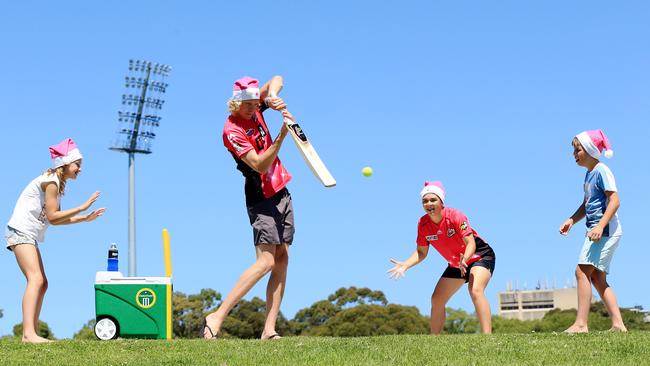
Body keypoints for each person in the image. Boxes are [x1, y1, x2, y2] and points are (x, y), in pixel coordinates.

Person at [203, 75, 294, 340]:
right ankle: (217, 316)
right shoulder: (232, 130)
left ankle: (269, 330)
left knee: (282, 258)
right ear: (235, 103)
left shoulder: (256, 107)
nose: (253, 108)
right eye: (247, 105)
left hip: (281, 189)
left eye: (256, 103)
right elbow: (260, 164)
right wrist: (281, 137)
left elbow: (277, 78)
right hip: (260, 193)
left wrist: (273, 96)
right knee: (266, 261)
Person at [5, 138, 106, 343]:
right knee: (36, 280)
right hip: (20, 231)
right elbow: (52, 216)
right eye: (77, 164)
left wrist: (84, 219)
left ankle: (30, 333)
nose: (80, 169)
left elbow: (57, 220)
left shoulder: (56, 184)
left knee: (43, 283)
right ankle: (28, 334)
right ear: (65, 164)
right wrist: (82, 207)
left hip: (27, 234)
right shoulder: (51, 181)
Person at [388, 181, 496, 334]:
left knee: (475, 289)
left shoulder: (455, 216)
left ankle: (487, 337)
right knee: (437, 299)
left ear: (441, 201)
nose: (429, 203)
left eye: (433, 200)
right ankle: (434, 341)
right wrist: (405, 265)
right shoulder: (423, 224)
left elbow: (470, 243)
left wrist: (465, 259)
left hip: (480, 256)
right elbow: (421, 252)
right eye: (425, 201)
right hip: (456, 263)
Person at [559, 129, 626, 333]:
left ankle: (581, 324)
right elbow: (587, 203)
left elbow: (615, 200)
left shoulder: (602, 170)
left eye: (577, 150)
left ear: (589, 150)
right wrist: (572, 219)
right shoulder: (590, 175)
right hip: (598, 231)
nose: (574, 154)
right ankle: (618, 325)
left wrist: (599, 226)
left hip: (604, 231)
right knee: (597, 277)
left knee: (581, 271)